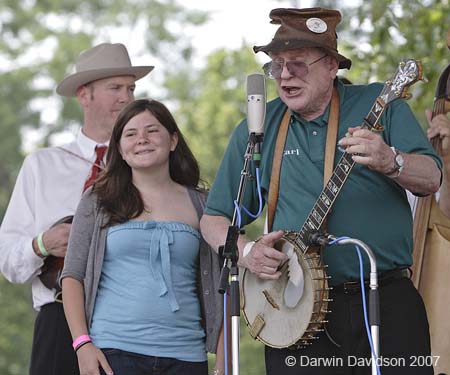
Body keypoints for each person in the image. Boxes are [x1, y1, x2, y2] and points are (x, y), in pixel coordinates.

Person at [200, 7, 442, 375]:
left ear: (331, 65)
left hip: (382, 297)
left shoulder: (380, 103)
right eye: (276, 65)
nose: (283, 75)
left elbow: (432, 178)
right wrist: (247, 251)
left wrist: (390, 160)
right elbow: (214, 219)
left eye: (296, 63)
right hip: (295, 310)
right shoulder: (259, 126)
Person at [0, 43, 153, 375]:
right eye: (115, 88)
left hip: (130, 323)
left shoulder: (146, 165)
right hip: (57, 326)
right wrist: (43, 244)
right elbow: (8, 264)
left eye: (131, 88)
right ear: (84, 96)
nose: (126, 98)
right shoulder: (41, 165)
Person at [60, 98, 224, 375]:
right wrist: (82, 344)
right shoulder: (98, 200)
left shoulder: (203, 204)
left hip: (187, 356)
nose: (142, 140)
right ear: (121, 149)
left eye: (152, 130)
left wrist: (223, 361)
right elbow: (72, 275)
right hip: (114, 353)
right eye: (131, 134)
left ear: (172, 140)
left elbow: (225, 287)